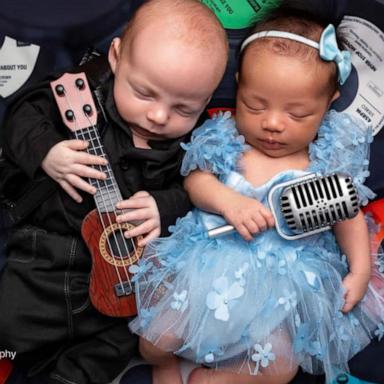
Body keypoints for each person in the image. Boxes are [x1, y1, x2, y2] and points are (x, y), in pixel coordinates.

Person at [128, 7, 384, 384]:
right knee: (154, 339)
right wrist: (228, 201)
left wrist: (360, 270)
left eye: (297, 114)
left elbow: (346, 214)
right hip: (208, 265)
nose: (273, 123)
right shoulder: (227, 137)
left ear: (328, 103)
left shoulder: (325, 158)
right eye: (255, 104)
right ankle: (164, 364)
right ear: (238, 85)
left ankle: (225, 378)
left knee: (280, 368)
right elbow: (196, 181)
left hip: (284, 284)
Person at [0, 0, 228, 383]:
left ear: (206, 102)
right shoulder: (81, 96)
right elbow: (21, 115)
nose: (159, 116)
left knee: (123, 340)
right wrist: (47, 153)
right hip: (51, 256)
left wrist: (162, 206)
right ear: (117, 57)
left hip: (126, 283)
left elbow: (199, 192)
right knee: (9, 323)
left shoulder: (193, 146)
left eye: (183, 109)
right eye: (145, 93)